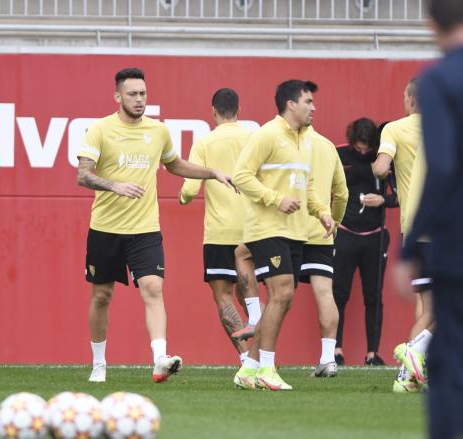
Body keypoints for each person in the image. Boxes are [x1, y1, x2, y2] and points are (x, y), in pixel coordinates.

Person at [76, 68, 236, 383]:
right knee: (101, 296)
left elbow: (174, 164)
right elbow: (83, 174)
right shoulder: (99, 130)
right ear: (117, 96)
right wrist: (115, 186)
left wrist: (212, 172)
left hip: (145, 229)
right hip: (106, 228)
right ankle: (98, 364)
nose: (139, 100)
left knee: (153, 288)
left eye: (143, 94)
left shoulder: (158, 130)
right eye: (132, 94)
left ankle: (160, 359)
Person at [232, 80, 334, 391]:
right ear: (291, 104)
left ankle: (248, 368)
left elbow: (310, 186)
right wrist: (276, 199)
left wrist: (322, 212)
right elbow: (240, 176)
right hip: (267, 229)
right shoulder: (267, 134)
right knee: (283, 293)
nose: (313, 107)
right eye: (308, 101)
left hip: (297, 231)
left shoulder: (306, 141)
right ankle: (266, 367)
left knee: (282, 299)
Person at [396, 1, 463, 435]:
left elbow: (442, 166)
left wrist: (409, 246)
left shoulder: (439, 80)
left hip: (455, 241)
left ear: (430, 23)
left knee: (448, 355)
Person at [178, 88, 262, 365]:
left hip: (220, 232)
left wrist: (183, 197)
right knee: (250, 295)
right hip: (252, 230)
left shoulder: (205, 142)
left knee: (223, 295)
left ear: (213, 112)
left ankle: (247, 360)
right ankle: (265, 357)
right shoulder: (254, 137)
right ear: (239, 111)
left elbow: (189, 189)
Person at [372, 78, 434, 392]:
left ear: (409, 98)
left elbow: (381, 168)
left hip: (417, 228)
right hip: (447, 229)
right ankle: (413, 354)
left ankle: (406, 376)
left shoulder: (394, 129)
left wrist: (384, 167)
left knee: (428, 306)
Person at [333, 118, 398, 366]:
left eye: (366, 149)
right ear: (352, 142)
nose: (362, 152)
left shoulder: (384, 159)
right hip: (345, 232)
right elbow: (332, 183)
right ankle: (336, 350)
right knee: (338, 294)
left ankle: (373, 354)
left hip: (375, 237)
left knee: (374, 296)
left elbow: (400, 194)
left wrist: (383, 201)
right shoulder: (340, 154)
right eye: (358, 148)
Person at [298, 126, 348, 377]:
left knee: (277, 295)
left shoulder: (282, 139)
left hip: (287, 229)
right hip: (321, 231)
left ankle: (262, 361)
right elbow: (342, 194)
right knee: (324, 292)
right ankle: (328, 359)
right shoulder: (327, 146)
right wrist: (334, 223)